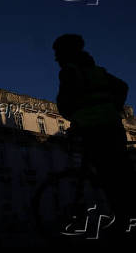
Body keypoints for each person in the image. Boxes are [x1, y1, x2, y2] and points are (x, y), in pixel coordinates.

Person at [53, 34, 135, 240]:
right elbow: (123, 86)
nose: (56, 58)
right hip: (113, 127)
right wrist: (113, 107)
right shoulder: (97, 71)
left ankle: (125, 222)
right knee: (118, 174)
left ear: (66, 53)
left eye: (58, 53)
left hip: (93, 130)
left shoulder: (69, 72)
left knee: (110, 178)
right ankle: (125, 219)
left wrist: (76, 118)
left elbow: (64, 103)